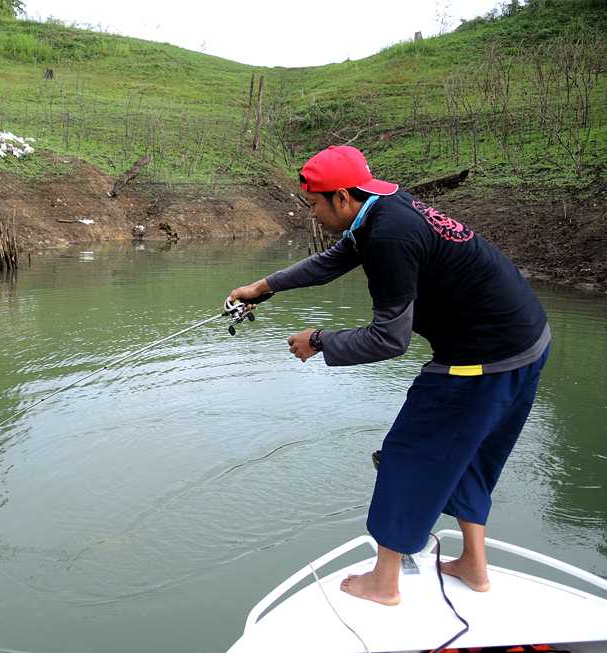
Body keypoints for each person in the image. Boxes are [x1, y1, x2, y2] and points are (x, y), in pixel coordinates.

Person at [226, 145, 550, 606]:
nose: (312, 213)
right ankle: (474, 567)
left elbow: (387, 340)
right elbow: (333, 260)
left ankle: (384, 582)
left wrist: (318, 341)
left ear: (341, 197)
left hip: (483, 360)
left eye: (314, 203)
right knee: (470, 454)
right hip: (526, 341)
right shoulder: (384, 205)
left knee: (406, 455)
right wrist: (263, 287)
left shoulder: (389, 239)